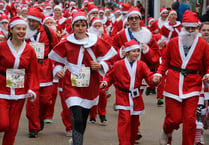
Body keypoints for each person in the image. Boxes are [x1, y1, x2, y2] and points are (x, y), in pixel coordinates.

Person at [48, 11, 117, 145]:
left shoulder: (96, 41)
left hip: (90, 83)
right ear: (73, 27)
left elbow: (109, 60)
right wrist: (58, 70)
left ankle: (76, 139)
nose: (80, 28)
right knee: (77, 118)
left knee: (83, 118)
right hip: (71, 83)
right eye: (77, 25)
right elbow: (57, 61)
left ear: (87, 26)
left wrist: (100, 65)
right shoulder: (66, 42)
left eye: (83, 25)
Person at [152, 10, 209, 145]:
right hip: (173, 84)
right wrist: (159, 73)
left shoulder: (203, 45)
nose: (190, 31)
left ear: (197, 28)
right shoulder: (173, 42)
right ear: (182, 27)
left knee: (190, 121)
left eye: (193, 28)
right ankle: (166, 130)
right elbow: (165, 61)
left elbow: (207, 64)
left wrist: (207, 74)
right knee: (174, 119)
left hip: (193, 86)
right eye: (187, 27)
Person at [100, 39, 156, 145]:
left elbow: (149, 77)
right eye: (133, 51)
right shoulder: (118, 64)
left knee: (134, 124)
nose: (136, 54)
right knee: (124, 120)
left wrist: (154, 80)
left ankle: (131, 141)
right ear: (127, 52)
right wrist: (105, 83)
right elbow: (110, 76)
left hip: (136, 97)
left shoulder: (142, 65)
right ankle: (123, 143)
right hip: (122, 96)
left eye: (138, 51)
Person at [0, 16, 39, 145]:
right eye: (18, 29)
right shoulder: (2, 46)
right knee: (3, 124)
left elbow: (33, 72)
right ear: (11, 30)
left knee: (12, 128)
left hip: (19, 92)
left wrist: (32, 89)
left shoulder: (29, 49)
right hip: (2, 90)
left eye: (23, 29)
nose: (21, 31)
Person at [25, 7, 59, 138]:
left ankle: (41, 117)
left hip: (45, 69)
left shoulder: (49, 32)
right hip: (30, 70)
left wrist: (57, 67)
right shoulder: (23, 31)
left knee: (45, 101)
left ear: (39, 21)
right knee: (32, 101)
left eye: (34, 21)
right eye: (29, 20)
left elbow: (56, 50)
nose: (31, 23)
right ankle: (33, 128)